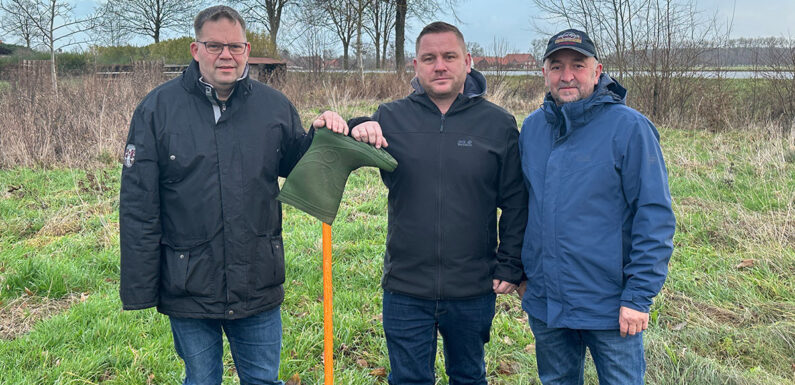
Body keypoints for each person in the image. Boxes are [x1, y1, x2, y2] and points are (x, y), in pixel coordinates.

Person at [118, 5, 350, 384]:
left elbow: (301, 164)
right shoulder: (157, 110)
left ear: (246, 50)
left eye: (236, 47)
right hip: (189, 281)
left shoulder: (273, 107)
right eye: (215, 46)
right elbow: (138, 205)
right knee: (202, 379)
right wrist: (142, 288)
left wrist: (329, 129)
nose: (226, 55)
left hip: (256, 279)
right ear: (196, 50)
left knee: (262, 380)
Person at [348, 21, 527, 385]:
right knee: (409, 379)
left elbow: (515, 201)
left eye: (449, 56)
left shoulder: (499, 124)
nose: (439, 66)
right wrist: (356, 123)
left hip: (473, 286)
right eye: (429, 58)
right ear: (415, 66)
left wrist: (509, 264)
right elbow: (344, 144)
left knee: (468, 375)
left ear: (468, 62)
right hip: (405, 285)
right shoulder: (390, 117)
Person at [517, 28, 676, 384]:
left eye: (578, 64)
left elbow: (655, 217)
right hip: (547, 306)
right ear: (544, 72)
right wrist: (523, 275)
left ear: (598, 70)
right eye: (556, 66)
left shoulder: (630, 128)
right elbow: (522, 208)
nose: (567, 75)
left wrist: (638, 297)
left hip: (611, 308)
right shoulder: (532, 129)